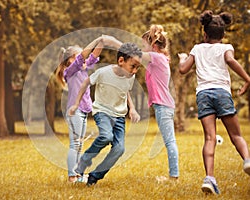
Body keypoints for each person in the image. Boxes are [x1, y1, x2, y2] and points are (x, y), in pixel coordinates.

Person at [178, 10, 250, 195]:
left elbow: (183, 70)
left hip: (204, 95)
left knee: (210, 138)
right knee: (236, 136)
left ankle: (209, 178)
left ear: (205, 34)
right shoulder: (226, 48)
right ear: (223, 34)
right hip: (222, 93)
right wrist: (247, 79)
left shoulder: (197, 48)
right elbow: (230, 61)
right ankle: (248, 160)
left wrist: (183, 58)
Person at [69, 42, 142, 186]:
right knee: (106, 136)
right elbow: (85, 82)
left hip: (119, 116)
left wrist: (132, 108)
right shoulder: (104, 72)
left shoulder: (130, 77)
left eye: (137, 67)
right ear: (121, 61)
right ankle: (83, 162)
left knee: (119, 149)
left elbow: (125, 91)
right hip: (102, 111)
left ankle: (94, 177)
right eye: (133, 66)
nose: (135, 71)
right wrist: (76, 104)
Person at [55, 36, 104, 183]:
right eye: (79, 56)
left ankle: (78, 175)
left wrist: (102, 41)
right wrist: (94, 41)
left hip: (83, 110)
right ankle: (72, 176)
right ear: (71, 59)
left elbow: (94, 55)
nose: (83, 58)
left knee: (79, 143)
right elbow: (83, 56)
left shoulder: (83, 68)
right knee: (75, 143)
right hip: (74, 111)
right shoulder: (71, 70)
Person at [141, 25, 179, 180]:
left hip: (163, 106)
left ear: (154, 46)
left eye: (144, 45)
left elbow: (136, 54)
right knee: (169, 140)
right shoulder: (158, 59)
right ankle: (174, 175)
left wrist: (112, 42)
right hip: (163, 105)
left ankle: (174, 176)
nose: (143, 48)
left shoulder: (156, 57)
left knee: (169, 141)